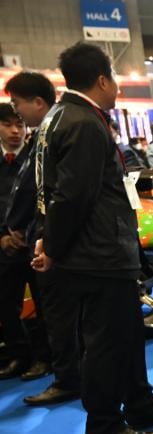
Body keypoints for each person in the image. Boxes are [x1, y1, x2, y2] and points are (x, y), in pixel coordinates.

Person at [34, 43, 153, 434]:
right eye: (115, 78)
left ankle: (140, 403)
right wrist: (52, 246)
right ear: (103, 80)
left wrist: (49, 239)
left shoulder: (60, 117)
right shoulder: (83, 122)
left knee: (126, 336)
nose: (117, 86)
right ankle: (105, 425)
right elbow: (73, 195)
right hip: (97, 254)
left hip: (99, 250)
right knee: (106, 343)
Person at [5, 70, 72, 404]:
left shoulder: (54, 132)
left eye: (18, 104)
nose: (17, 116)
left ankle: (67, 377)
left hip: (51, 241)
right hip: (39, 237)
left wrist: (29, 230)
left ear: (38, 102)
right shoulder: (48, 133)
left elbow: (41, 190)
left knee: (57, 315)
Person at [0, 104, 33, 380]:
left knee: (46, 308)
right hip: (5, 248)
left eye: (19, 125)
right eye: (8, 125)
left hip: (36, 244)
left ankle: (45, 358)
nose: (15, 131)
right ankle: (18, 356)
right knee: (7, 305)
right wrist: (2, 236)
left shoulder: (36, 158)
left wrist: (29, 233)